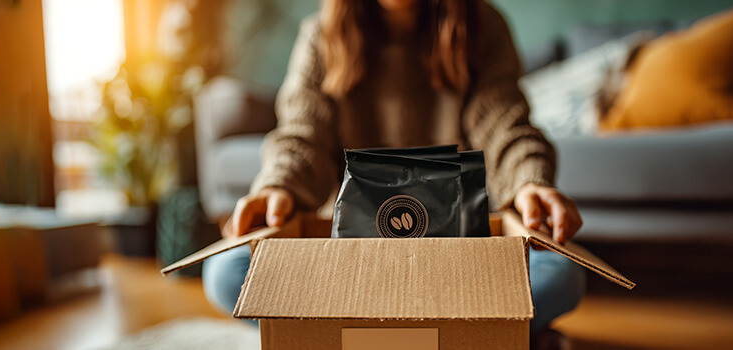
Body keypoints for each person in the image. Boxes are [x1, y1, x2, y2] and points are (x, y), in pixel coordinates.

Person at [203, 0, 585, 341]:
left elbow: (504, 124)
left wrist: (527, 181)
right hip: (349, 261)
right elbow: (303, 135)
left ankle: (349, 337)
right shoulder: (320, 34)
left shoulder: (483, 25)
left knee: (561, 272)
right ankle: (468, 337)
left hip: (457, 259)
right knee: (227, 271)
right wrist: (278, 186)